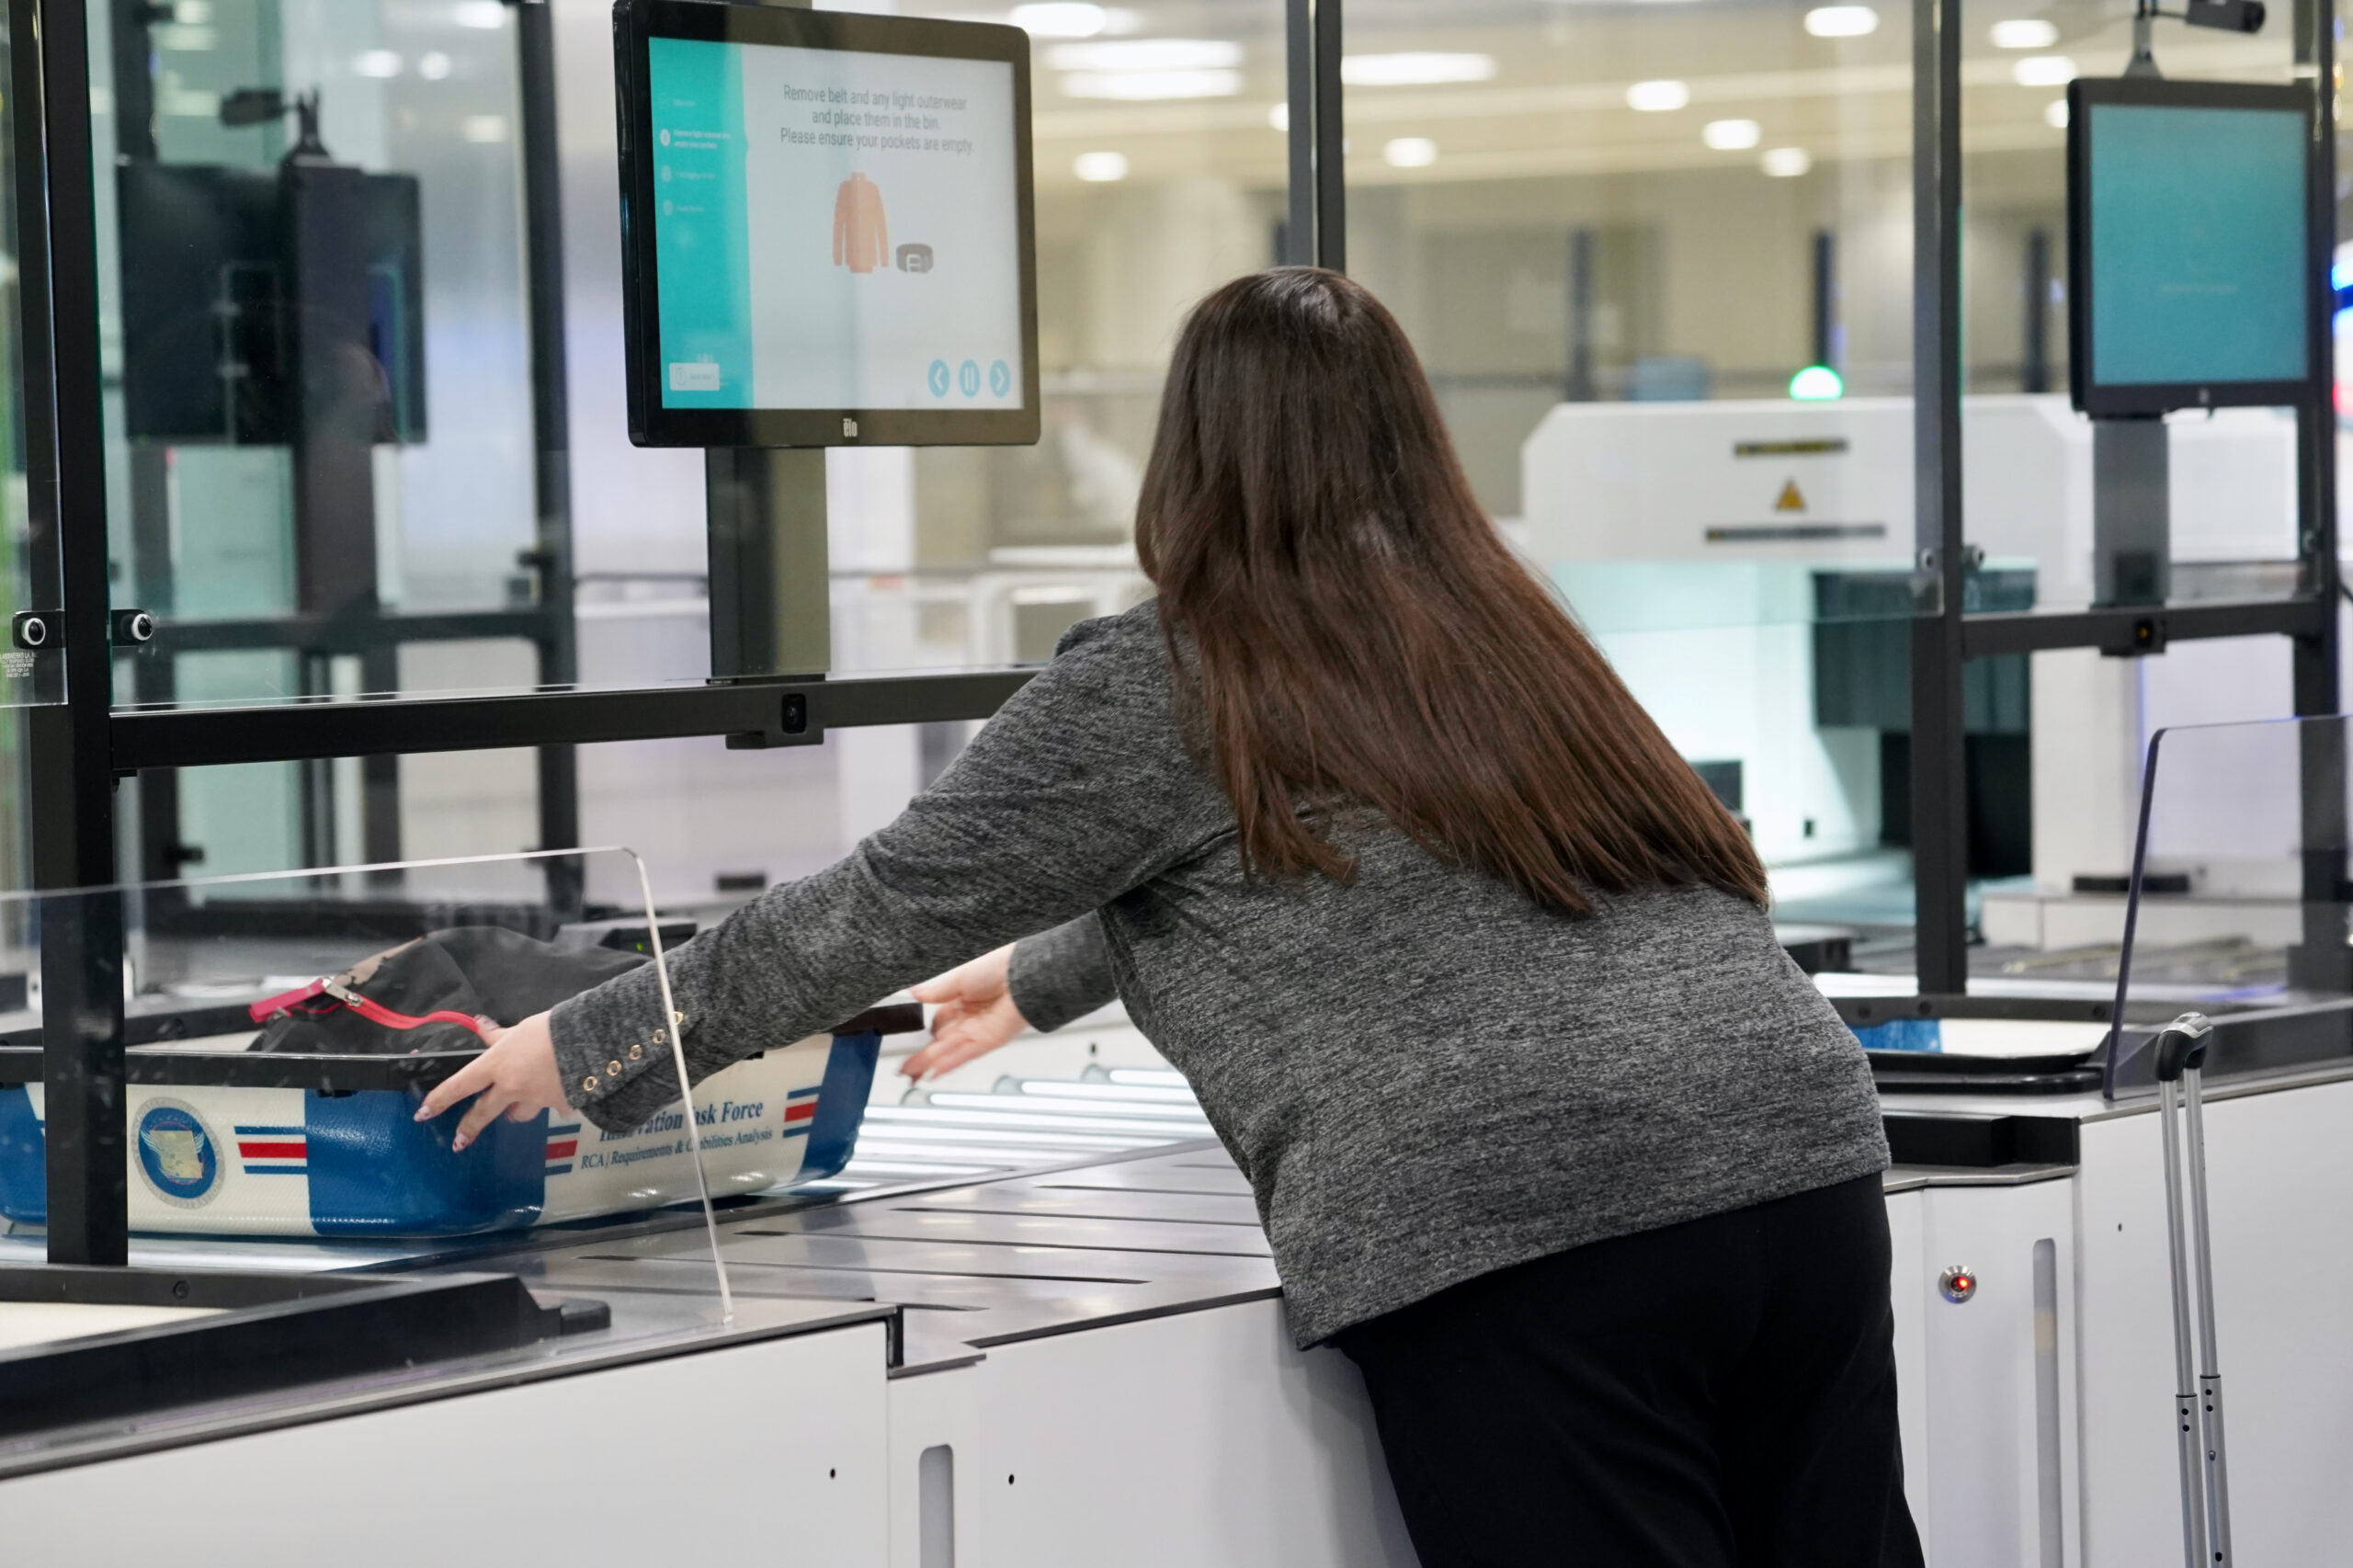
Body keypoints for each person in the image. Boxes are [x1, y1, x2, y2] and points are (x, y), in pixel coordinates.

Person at [417, 267, 1922, 1568]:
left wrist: (597, 1033)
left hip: (1527, 1219)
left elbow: (875, 908)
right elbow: (1388, 862)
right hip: (1795, 1153)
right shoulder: (1505, 628)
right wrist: (1052, 977)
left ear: (1191, 454)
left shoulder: (1164, 672)